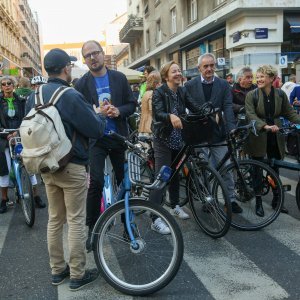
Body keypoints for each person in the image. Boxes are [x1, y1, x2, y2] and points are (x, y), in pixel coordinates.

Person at [26, 48, 106, 290]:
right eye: (70, 66)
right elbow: (95, 129)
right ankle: (78, 274)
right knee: (76, 220)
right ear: (65, 68)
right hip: (72, 165)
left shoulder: (34, 95)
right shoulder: (69, 95)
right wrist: (98, 114)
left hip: (46, 166)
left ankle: (57, 270)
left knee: (54, 219)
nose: (71, 69)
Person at [74, 40, 136, 247]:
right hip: (96, 139)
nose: (92, 58)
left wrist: (118, 111)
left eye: (95, 53)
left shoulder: (118, 78)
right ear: (85, 60)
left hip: (118, 136)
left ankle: (128, 225)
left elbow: (131, 103)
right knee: (96, 182)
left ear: (102, 54)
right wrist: (95, 112)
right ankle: (93, 228)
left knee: (123, 182)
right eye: (88, 55)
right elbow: (78, 114)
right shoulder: (81, 84)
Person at [185, 53, 241, 213]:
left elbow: (228, 107)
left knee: (227, 168)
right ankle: (207, 199)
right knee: (205, 169)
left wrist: (231, 128)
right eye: (205, 66)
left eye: (212, 65)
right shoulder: (190, 85)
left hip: (218, 133)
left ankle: (231, 199)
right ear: (199, 68)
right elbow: (187, 110)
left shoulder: (223, 84)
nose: (209, 69)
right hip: (199, 134)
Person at [150, 61, 201, 234]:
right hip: (163, 139)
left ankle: (175, 205)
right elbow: (158, 113)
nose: (178, 73)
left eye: (179, 70)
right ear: (166, 76)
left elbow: (194, 106)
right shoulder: (159, 91)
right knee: (162, 177)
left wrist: (208, 111)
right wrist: (171, 115)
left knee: (175, 174)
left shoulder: (182, 90)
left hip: (178, 138)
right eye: (174, 71)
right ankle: (155, 218)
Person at [245, 64, 300, 216]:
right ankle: (258, 202)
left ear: (271, 79)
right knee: (257, 169)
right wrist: (264, 126)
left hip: (276, 136)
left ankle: (277, 200)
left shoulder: (280, 95)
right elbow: (250, 115)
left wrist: (299, 122)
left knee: (275, 168)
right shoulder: (252, 95)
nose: (259, 79)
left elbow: (289, 113)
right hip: (258, 135)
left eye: (263, 76)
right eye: (259, 76)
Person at [0, 76, 45, 214]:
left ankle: (36, 196)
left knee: (29, 165)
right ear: (1, 87)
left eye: (9, 83)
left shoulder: (21, 101)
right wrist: (6, 135)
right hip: (3, 138)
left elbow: (26, 116)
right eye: (3, 84)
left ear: (14, 86)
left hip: (20, 136)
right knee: (4, 169)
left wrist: (18, 132)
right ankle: (4, 199)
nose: (7, 86)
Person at [138, 70, 161, 136]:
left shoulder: (146, 93)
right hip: (150, 128)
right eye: (159, 82)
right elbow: (152, 111)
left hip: (142, 126)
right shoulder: (152, 94)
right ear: (156, 83)